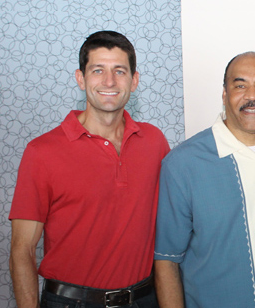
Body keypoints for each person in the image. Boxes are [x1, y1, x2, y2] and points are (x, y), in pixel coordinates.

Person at [9, 30, 170, 308]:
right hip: (70, 302)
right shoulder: (42, 152)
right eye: (98, 70)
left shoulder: (154, 141)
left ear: (134, 80)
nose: (109, 81)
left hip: (144, 298)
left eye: (120, 71)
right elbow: (21, 250)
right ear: (81, 79)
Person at [153, 51, 255, 308]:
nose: (252, 95)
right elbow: (167, 259)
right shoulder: (182, 164)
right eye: (240, 85)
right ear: (224, 94)